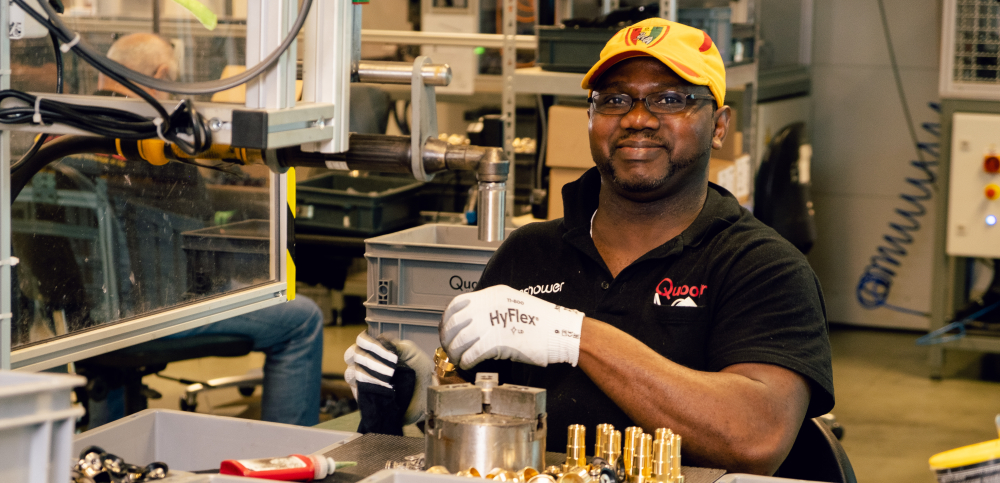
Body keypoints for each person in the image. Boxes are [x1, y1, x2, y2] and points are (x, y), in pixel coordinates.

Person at [349, 18, 834, 476]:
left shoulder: (763, 267)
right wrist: (426, 399)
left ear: (719, 124)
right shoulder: (530, 252)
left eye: (669, 99)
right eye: (615, 100)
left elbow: (756, 437)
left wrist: (573, 336)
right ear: (590, 117)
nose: (637, 119)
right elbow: (488, 424)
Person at [69, 33, 323, 427]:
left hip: (81, 316)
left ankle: (105, 442)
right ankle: (285, 455)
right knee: (302, 318)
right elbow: (200, 233)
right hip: (153, 310)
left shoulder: (66, 125)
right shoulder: (155, 140)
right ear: (162, 75)